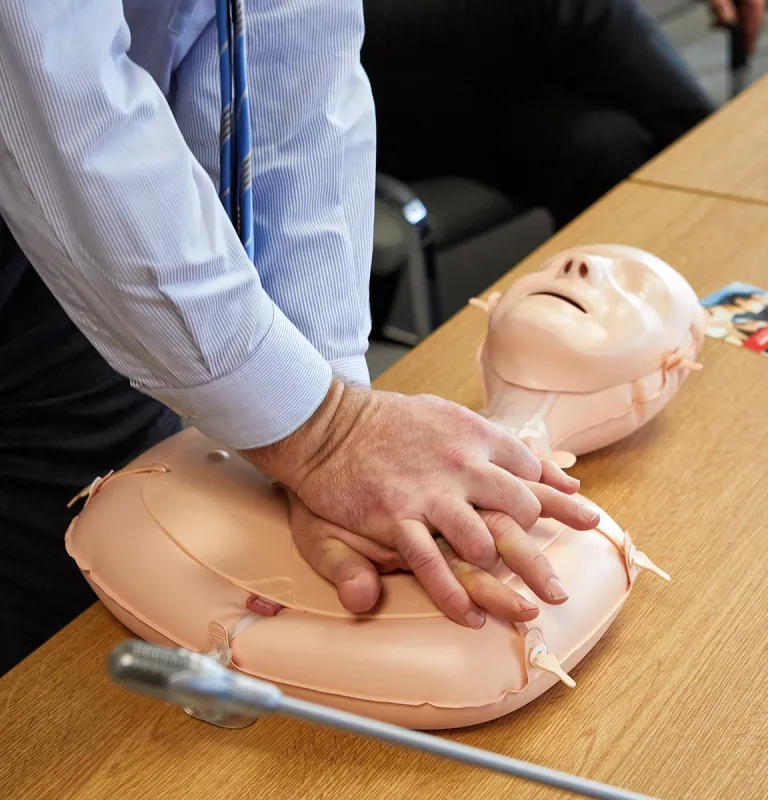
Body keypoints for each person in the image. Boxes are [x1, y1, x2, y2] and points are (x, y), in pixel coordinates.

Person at [0, 1, 596, 675]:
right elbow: (49, 92)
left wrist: (330, 411)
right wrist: (323, 432)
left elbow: (286, 45)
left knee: (77, 662)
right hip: (75, 190)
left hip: (84, 264)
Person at [360, 0, 767, 227]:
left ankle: (630, 327)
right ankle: (737, 193)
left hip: (442, 88)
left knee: (606, 143)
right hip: (327, 55)